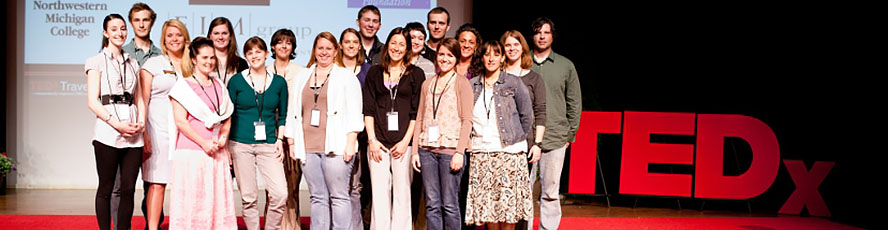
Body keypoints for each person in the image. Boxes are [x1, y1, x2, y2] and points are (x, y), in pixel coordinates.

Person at [285, 32, 364, 230]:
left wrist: (350, 142)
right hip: (308, 146)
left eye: (329, 48)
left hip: (336, 145)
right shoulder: (302, 75)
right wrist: (292, 142)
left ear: (336, 51)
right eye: (320, 48)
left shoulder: (346, 76)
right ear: (314, 50)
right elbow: (293, 111)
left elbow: (355, 112)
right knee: (317, 197)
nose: (324, 52)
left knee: (338, 196)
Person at [168, 36, 237, 229]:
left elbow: (227, 115)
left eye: (212, 58)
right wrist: (203, 142)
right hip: (192, 153)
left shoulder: (219, 85)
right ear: (193, 59)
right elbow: (181, 121)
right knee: (193, 201)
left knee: (216, 201)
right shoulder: (182, 87)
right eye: (205, 57)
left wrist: (223, 138)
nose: (209, 62)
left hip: (217, 152)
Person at [465, 40, 535, 230]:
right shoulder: (472, 85)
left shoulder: (513, 82)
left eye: (496, 54)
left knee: (508, 211)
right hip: (482, 154)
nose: (491, 58)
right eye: (487, 54)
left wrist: (516, 139)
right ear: (481, 57)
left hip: (509, 154)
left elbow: (527, 117)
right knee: (488, 212)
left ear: (503, 57)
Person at [85, 13, 146, 230]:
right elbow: (93, 101)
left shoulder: (133, 62)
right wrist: (117, 124)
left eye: (122, 29)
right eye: (114, 29)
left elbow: (138, 97)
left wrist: (141, 122)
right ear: (105, 33)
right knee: (106, 188)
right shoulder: (95, 61)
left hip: (133, 134)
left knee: (129, 188)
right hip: (107, 132)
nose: (119, 33)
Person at [363, 27, 425, 230]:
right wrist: (372, 141)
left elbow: (417, 113)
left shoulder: (416, 74)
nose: (397, 48)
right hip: (378, 143)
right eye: (393, 43)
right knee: (379, 194)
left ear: (407, 48)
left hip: (403, 144)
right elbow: (368, 110)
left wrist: (406, 141)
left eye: (401, 44)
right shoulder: (374, 72)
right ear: (387, 45)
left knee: (402, 194)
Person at [227, 36, 289, 230]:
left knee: (280, 194)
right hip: (240, 144)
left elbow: (284, 115)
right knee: (249, 197)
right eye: (250, 53)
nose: (254, 56)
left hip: (269, 142)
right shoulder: (236, 81)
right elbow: (228, 114)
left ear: (266, 54)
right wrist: (227, 145)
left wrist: (280, 139)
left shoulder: (279, 83)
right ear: (246, 56)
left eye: (258, 51)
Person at [410, 37, 473, 230]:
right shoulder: (428, 84)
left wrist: (459, 152)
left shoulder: (461, 83)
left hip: (450, 151)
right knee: (432, 204)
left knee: (450, 204)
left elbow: (467, 120)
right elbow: (420, 117)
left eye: (450, 55)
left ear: (456, 58)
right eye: (441, 55)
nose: (445, 59)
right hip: (427, 150)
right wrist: (414, 152)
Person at [529, 17, 582, 230]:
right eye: (538, 32)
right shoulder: (522, 62)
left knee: (550, 190)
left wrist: (570, 133)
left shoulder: (565, 65)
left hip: (555, 136)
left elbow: (574, 102)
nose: (542, 36)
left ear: (553, 36)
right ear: (532, 36)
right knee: (523, 189)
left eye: (546, 32)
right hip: (525, 138)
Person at [138, 19, 190, 230]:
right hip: (157, 132)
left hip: (186, 133)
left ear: (185, 38)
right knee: (157, 183)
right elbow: (142, 100)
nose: (174, 39)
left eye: (178, 35)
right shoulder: (152, 64)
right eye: (170, 35)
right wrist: (144, 134)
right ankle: (152, 227)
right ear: (164, 40)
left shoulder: (193, 65)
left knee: (186, 185)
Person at [501, 30, 547, 230]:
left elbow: (541, 112)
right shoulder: (496, 75)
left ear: (523, 48)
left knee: (520, 195)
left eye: (516, 45)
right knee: (500, 195)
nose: (512, 49)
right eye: (508, 45)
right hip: (498, 144)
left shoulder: (534, 79)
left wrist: (537, 144)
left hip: (524, 145)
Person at [267, 28, 306, 230]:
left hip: (292, 136)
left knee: (291, 185)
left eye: (288, 43)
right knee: (272, 188)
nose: (284, 46)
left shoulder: (300, 72)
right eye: (280, 42)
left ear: (293, 47)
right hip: (269, 135)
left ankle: (292, 225)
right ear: (273, 47)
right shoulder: (264, 70)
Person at [335, 27, 371, 230]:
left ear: (359, 46)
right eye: (346, 42)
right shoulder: (332, 70)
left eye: (354, 42)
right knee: (337, 188)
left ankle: (355, 226)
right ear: (340, 45)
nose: (350, 45)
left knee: (356, 187)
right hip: (336, 137)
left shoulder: (368, 70)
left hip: (362, 137)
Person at [207, 17, 248, 84]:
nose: (220, 37)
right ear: (210, 36)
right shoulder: (203, 62)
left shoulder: (241, 63)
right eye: (216, 33)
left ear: (230, 36)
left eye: (224, 33)